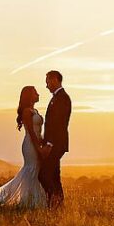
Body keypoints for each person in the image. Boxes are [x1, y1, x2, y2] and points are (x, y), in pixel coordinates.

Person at [39, 70, 71, 208]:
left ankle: (53, 201)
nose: (46, 86)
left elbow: (59, 123)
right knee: (54, 175)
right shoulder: (56, 98)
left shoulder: (62, 98)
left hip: (56, 144)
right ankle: (58, 204)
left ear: (55, 80)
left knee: (44, 175)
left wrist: (50, 144)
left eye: (47, 82)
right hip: (55, 143)